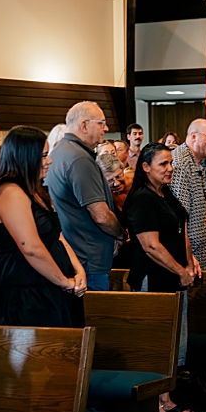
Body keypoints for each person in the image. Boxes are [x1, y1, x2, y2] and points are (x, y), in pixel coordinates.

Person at [124, 143, 199, 412]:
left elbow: (181, 231)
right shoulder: (143, 198)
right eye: (163, 164)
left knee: (172, 343)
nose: (170, 169)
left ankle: (166, 398)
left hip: (173, 277)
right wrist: (181, 270)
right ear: (145, 167)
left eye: (171, 163)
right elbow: (150, 246)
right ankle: (154, 403)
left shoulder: (164, 193)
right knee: (156, 343)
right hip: (152, 279)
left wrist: (190, 264)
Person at [0, 126, 86, 328]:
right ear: (25, 157)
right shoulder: (10, 192)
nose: (49, 161)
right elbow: (31, 248)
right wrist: (64, 282)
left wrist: (77, 270)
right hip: (27, 294)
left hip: (50, 286)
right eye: (44, 156)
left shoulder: (35, 190)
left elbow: (56, 236)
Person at [46, 101, 126, 292]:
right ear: (83, 125)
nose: (105, 128)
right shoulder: (79, 158)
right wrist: (122, 234)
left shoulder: (60, 151)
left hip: (76, 252)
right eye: (101, 123)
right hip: (88, 256)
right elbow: (101, 215)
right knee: (94, 318)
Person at [170, 119, 206, 267]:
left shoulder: (199, 161)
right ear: (193, 136)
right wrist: (188, 256)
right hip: (188, 259)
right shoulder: (181, 163)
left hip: (199, 253)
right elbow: (178, 218)